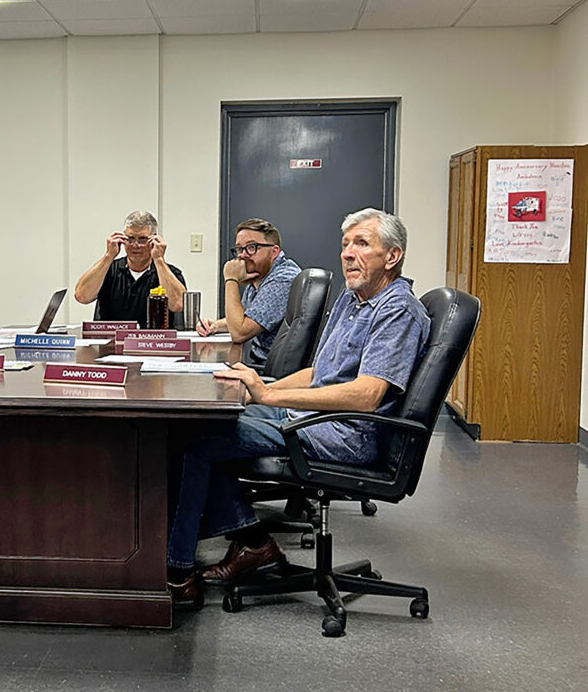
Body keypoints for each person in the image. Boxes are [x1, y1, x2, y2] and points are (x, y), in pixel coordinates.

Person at [166, 208, 432, 603]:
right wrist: (253, 390)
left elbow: (367, 395)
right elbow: (319, 373)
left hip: (344, 434)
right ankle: (253, 543)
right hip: (313, 418)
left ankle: (178, 573)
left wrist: (271, 396)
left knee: (195, 438)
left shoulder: (396, 310)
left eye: (362, 244)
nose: (348, 253)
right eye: (345, 244)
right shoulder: (354, 299)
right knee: (203, 419)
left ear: (392, 256)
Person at [196, 218, 301, 367]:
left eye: (252, 247)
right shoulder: (259, 276)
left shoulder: (282, 280)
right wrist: (215, 326)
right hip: (258, 363)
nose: (243, 255)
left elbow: (239, 333)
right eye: (239, 249)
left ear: (274, 252)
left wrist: (231, 279)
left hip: (267, 370)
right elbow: (246, 317)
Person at [74, 210, 187, 327]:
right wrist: (109, 256)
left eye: (143, 239)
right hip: (112, 337)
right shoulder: (108, 270)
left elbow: (178, 305)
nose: (136, 245)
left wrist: (159, 260)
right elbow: (82, 296)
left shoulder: (169, 273)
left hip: (153, 337)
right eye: (130, 239)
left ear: (154, 240)